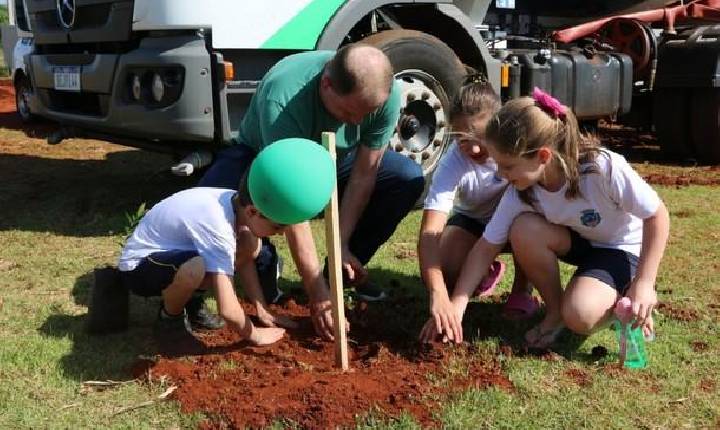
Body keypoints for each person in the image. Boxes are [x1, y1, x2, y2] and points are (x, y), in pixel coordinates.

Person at [199, 43, 424, 340]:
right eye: (347, 111)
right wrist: (315, 291)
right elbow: (290, 192)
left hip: (337, 159)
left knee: (406, 177)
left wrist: (339, 244)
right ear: (326, 83)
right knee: (206, 205)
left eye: (365, 113)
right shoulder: (284, 97)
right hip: (263, 161)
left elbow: (364, 173)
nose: (355, 122)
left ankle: (339, 274)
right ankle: (207, 289)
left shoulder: (385, 94)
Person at [422, 88, 669, 349]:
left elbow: (657, 216)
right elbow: (485, 247)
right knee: (524, 228)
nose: (501, 175)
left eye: (507, 166)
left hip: (619, 249)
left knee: (580, 314)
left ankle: (624, 301)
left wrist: (644, 283)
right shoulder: (522, 191)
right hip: (579, 243)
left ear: (543, 156)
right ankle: (555, 312)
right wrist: (457, 306)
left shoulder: (603, 168)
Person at [118, 139, 336, 349]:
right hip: (139, 267)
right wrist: (257, 335)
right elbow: (228, 310)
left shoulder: (237, 206)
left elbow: (245, 261)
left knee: (250, 245)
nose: (279, 235)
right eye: (277, 227)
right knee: (195, 268)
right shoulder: (218, 225)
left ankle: (190, 302)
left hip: (175, 255)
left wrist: (262, 309)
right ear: (253, 212)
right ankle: (169, 321)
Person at [418, 75, 536, 344]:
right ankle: (483, 270)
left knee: (526, 226)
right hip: (474, 222)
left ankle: (522, 290)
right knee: (445, 269)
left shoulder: (518, 150)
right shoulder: (453, 163)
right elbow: (429, 234)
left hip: (517, 224)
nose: (472, 148)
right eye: (461, 140)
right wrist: (438, 294)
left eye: (480, 137)